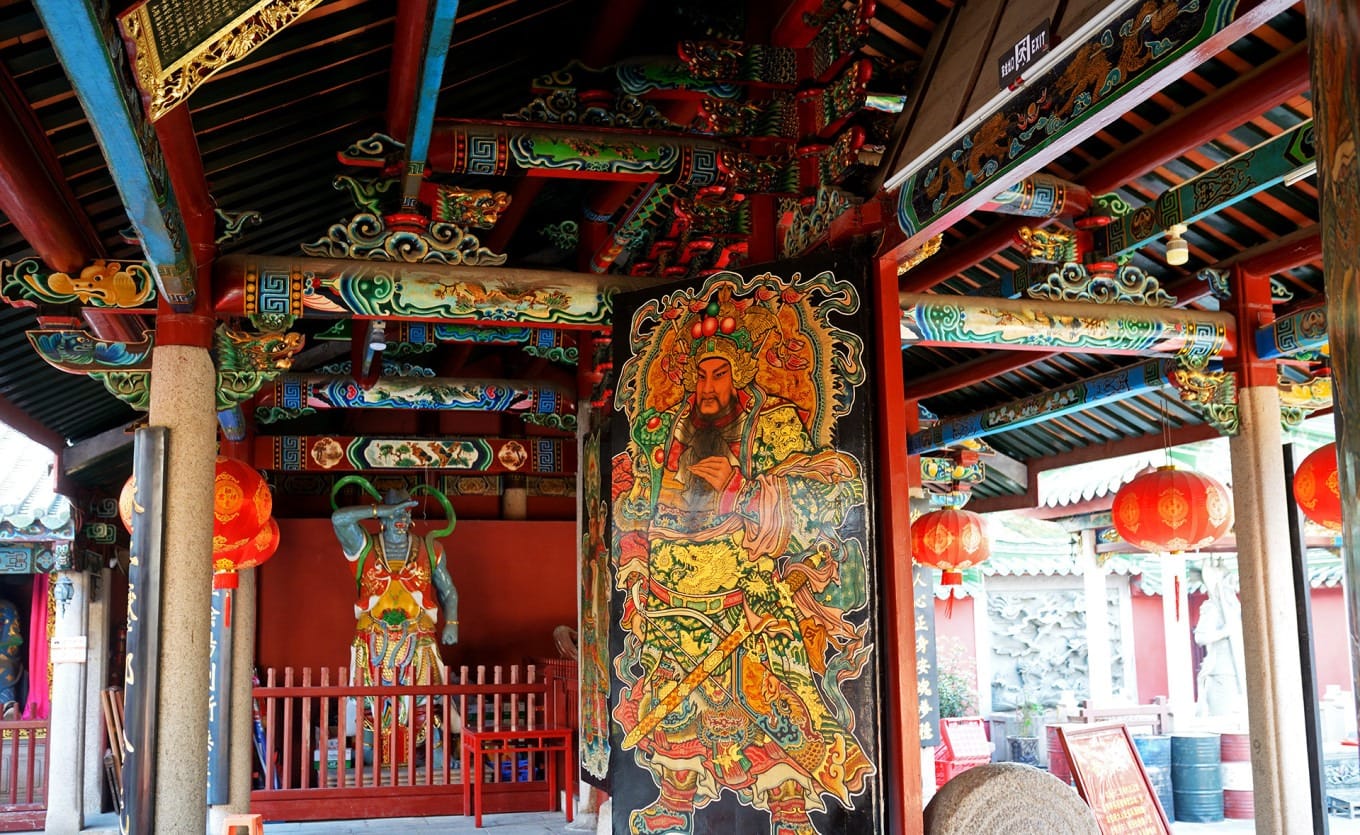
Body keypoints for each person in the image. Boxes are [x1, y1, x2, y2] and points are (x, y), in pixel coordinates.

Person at [612, 296, 874, 835]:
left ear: (741, 375)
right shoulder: (664, 430)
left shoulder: (772, 424)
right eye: (701, 375)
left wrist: (741, 487)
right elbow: (632, 497)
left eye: (719, 375)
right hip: (670, 593)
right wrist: (636, 569)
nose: (708, 388)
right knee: (674, 703)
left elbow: (817, 501)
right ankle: (674, 799)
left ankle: (789, 807)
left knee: (772, 701)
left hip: (746, 591)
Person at [332, 490, 458, 762]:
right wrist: (381, 510)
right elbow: (338, 520)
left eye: (405, 512)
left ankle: (435, 757)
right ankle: (369, 759)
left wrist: (452, 622)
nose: (400, 518)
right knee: (371, 698)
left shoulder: (430, 548)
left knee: (424, 697)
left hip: (418, 635)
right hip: (373, 636)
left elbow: (447, 590)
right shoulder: (363, 546)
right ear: (382, 517)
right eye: (395, 512)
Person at [1194, 561, 1246, 717]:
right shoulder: (1213, 607)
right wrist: (1224, 632)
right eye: (1228, 582)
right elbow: (1201, 637)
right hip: (1221, 671)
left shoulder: (1235, 608)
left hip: (1239, 668)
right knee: (1224, 718)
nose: (1232, 586)